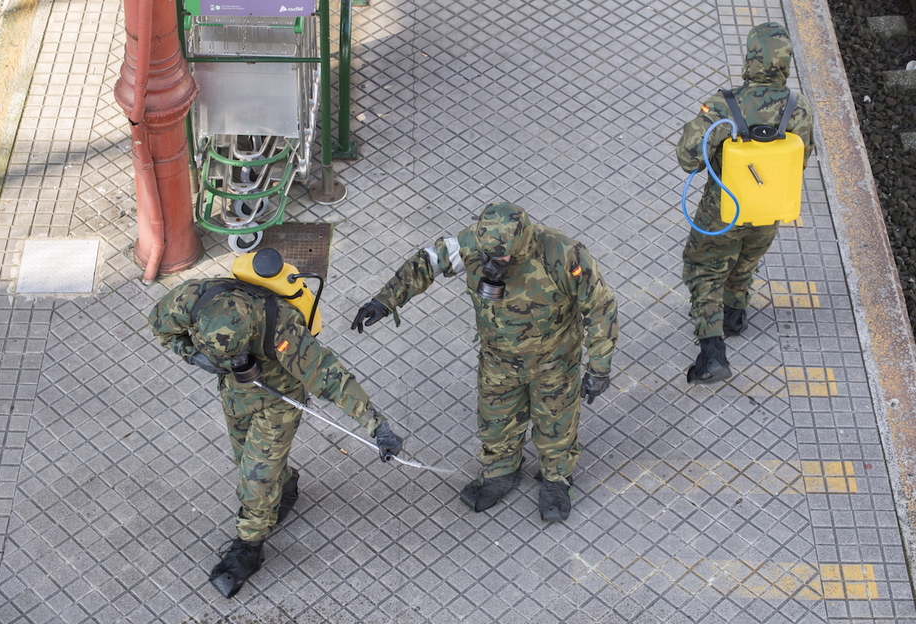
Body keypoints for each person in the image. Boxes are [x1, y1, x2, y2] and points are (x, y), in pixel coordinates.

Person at [148, 250, 404, 599]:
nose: (236, 361)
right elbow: (159, 325)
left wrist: (378, 427)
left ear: (250, 329)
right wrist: (194, 356)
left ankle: (248, 549)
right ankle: (285, 486)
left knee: (255, 476)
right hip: (235, 394)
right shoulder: (191, 298)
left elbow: (333, 379)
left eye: (239, 354)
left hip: (279, 399)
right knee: (244, 460)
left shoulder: (282, 330)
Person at [351, 202, 618, 522]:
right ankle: (501, 471)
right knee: (496, 422)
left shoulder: (563, 255)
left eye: (500, 257)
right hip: (498, 362)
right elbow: (427, 262)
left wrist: (599, 367)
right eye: (487, 256)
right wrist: (385, 300)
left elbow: (600, 307)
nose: (491, 264)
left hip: (554, 364)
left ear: (521, 245)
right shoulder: (472, 245)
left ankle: (556, 479)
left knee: (556, 426)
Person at [677, 22, 815, 384]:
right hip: (768, 208)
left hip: (723, 209)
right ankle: (734, 313)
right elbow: (802, 158)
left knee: (704, 268)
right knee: (745, 259)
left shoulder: (726, 105)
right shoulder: (798, 108)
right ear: (786, 61)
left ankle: (712, 352)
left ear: (751, 59)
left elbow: (688, 157)